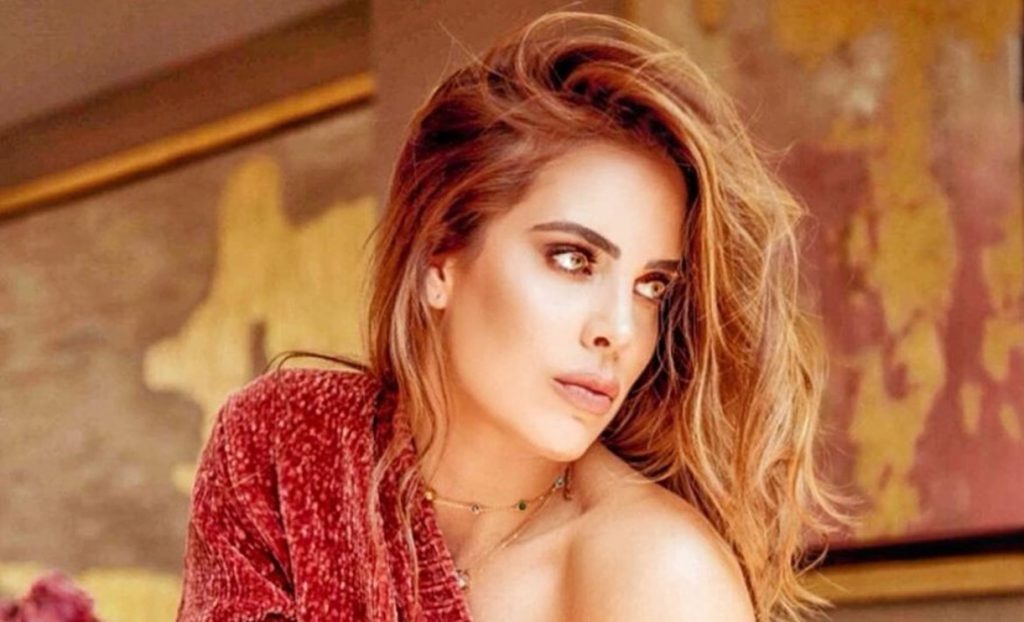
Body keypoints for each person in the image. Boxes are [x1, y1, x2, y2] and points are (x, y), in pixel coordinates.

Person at [176, 11, 845, 622]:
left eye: (652, 287)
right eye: (573, 259)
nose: (619, 329)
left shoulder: (659, 574)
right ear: (439, 258)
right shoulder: (284, 448)